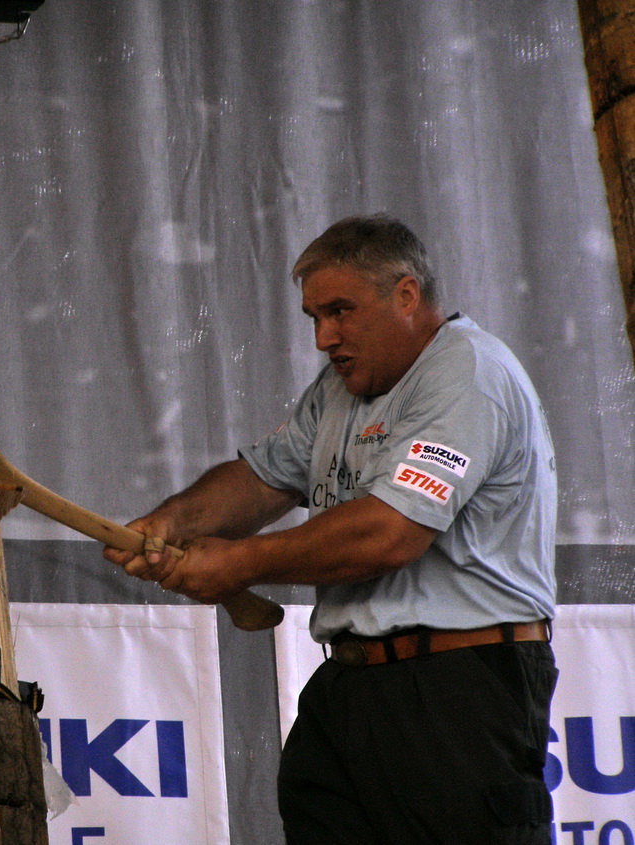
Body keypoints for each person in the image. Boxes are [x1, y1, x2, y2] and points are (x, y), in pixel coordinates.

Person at [103, 214, 558, 844]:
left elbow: (389, 534)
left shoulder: (468, 372)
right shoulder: (341, 388)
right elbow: (263, 479)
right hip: (350, 679)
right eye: (314, 317)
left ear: (406, 294)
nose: (323, 338)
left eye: (339, 311)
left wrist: (235, 564)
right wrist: (171, 521)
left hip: (461, 681)